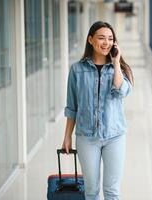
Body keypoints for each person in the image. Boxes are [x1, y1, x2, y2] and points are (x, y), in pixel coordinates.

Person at [62, 21, 133, 200]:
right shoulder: (77, 70)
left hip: (114, 136)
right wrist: (67, 136)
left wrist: (116, 63)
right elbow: (72, 106)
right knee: (91, 191)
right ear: (91, 40)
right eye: (101, 38)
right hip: (86, 137)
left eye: (110, 39)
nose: (106, 42)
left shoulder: (118, 69)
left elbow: (122, 90)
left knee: (112, 191)